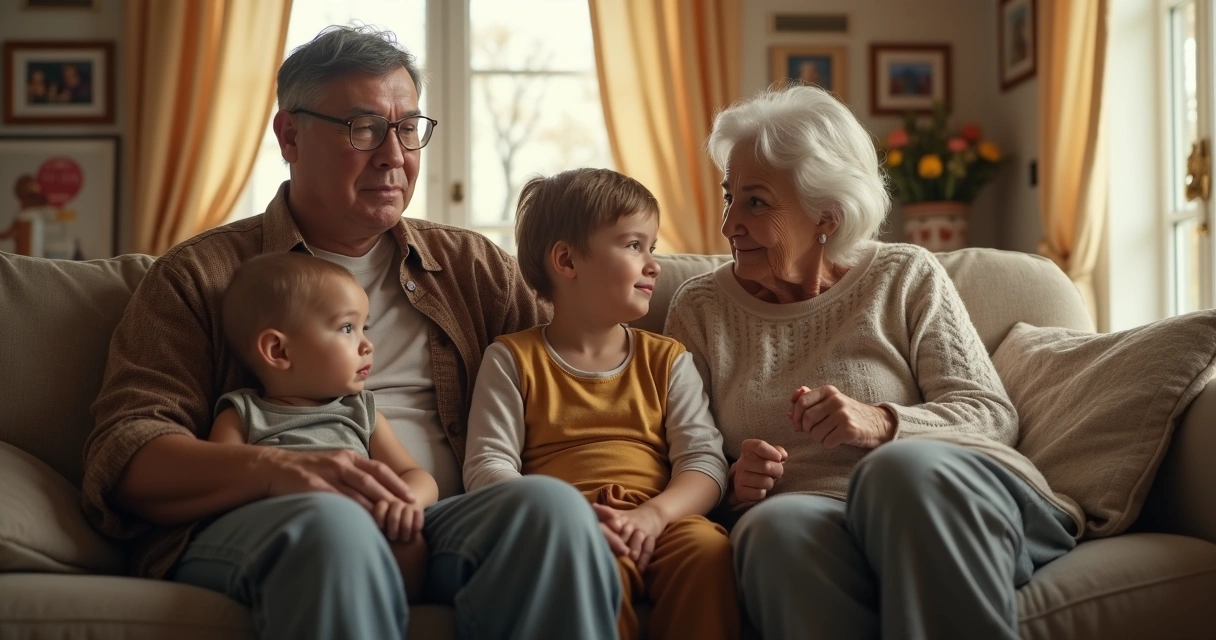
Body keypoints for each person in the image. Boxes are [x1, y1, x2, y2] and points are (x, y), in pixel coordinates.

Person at [83, 25, 620, 640]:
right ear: (289, 135)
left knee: (550, 510)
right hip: (272, 521)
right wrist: (278, 472)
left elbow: (572, 385)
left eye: (408, 128)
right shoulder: (200, 277)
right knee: (335, 525)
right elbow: (124, 452)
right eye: (362, 129)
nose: (394, 155)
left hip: (433, 522)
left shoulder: (475, 269)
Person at [664, 84, 1082, 639]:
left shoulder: (904, 275)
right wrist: (735, 485)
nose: (728, 225)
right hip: (815, 515)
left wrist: (883, 423)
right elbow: (687, 454)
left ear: (827, 216)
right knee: (770, 531)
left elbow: (991, 413)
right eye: (728, 197)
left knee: (893, 468)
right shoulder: (700, 308)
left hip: (941, 495)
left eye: (756, 201)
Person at [463, 168, 737, 640]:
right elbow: (487, 465)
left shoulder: (667, 359)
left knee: (708, 552)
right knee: (590, 567)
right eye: (634, 246)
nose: (654, 264)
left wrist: (654, 516)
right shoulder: (511, 359)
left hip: (663, 518)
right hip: (569, 528)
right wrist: (560, 519)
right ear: (566, 261)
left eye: (653, 247)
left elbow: (704, 461)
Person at [211, 252, 438, 603]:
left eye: (365, 327)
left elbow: (413, 473)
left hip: (369, 525)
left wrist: (406, 502)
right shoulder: (242, 413)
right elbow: (223, 482)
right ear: (278, 350)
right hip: (294, 530)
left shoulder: (360, 411)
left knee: (409, 542)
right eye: (348, 328)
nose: (367, 344)